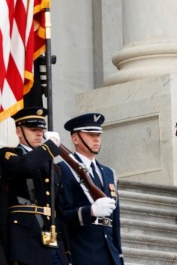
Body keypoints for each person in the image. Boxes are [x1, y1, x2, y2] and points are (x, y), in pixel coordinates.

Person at [0, 107, 69, 265]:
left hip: (52, 238)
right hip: (25, 240)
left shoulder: (52, 167)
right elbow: (25, 165)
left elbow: (59, 210)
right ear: (19, 131)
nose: (39, 134)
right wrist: (49, 147)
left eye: (41, 130)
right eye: (33, 129)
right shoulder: (8, 155)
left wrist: (66, 249)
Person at [58, 113, 122, 265]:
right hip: (82, 252)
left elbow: (115, 222)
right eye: (91, 135)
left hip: (109, 254)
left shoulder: (109, 173)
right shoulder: (63, 170)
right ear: (75, 139)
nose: (96, 139)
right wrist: (90, 212)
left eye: (98, 135)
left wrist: (118, 255)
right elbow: (61, 216)